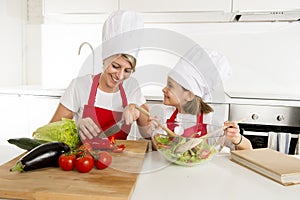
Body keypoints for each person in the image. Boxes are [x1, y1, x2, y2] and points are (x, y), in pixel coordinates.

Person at [50, 10, 150, 141]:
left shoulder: (132, 86)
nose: (120, 76)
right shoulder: (79, 86)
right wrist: (75, 126)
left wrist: (136, 109)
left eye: (127, 70)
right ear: (104, 60)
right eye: (115, 66)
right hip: (84, 158)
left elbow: (149, 135)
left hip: (120, 159)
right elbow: (50, 132)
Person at [154, 45, 252, 150]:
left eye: (171, 86)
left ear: (189, 95)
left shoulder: (212, 120)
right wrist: (152, 132)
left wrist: (237, 138)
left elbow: (248, 149)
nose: (164, 89)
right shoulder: (166, 116)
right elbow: (158, 149)